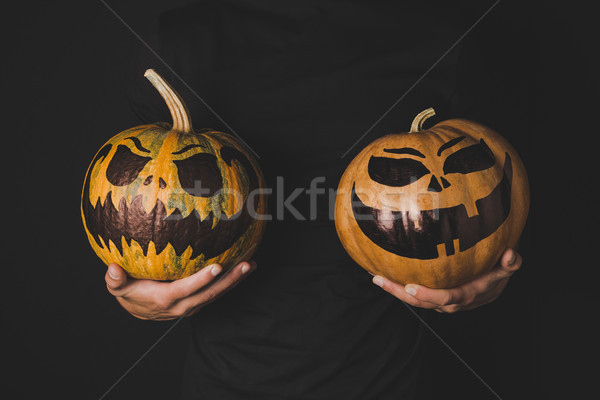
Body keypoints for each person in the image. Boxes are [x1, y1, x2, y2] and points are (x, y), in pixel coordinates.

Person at [104, 1, 527, 398]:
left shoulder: (445, 35)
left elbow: (480, 199)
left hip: (396, 382)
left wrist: (478, 275)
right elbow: (145, 201)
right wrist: (137, 295)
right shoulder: (176, 40)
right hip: (222, 384)